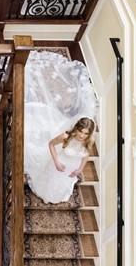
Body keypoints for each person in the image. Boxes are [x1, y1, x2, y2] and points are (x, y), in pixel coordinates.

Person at [23, 50, 99, 204]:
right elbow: (51, 144)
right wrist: (56, 161)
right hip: (58, 163)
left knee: (62, 182)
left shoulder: (88, 141)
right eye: (81, 132)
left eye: (85, 133)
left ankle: (59, 192)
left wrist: (80, 169)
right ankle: (45, 190)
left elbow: (85, 155)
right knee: (50, 178)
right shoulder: (65, 136)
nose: (82, 136)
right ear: (76, 129)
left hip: (72, 168)